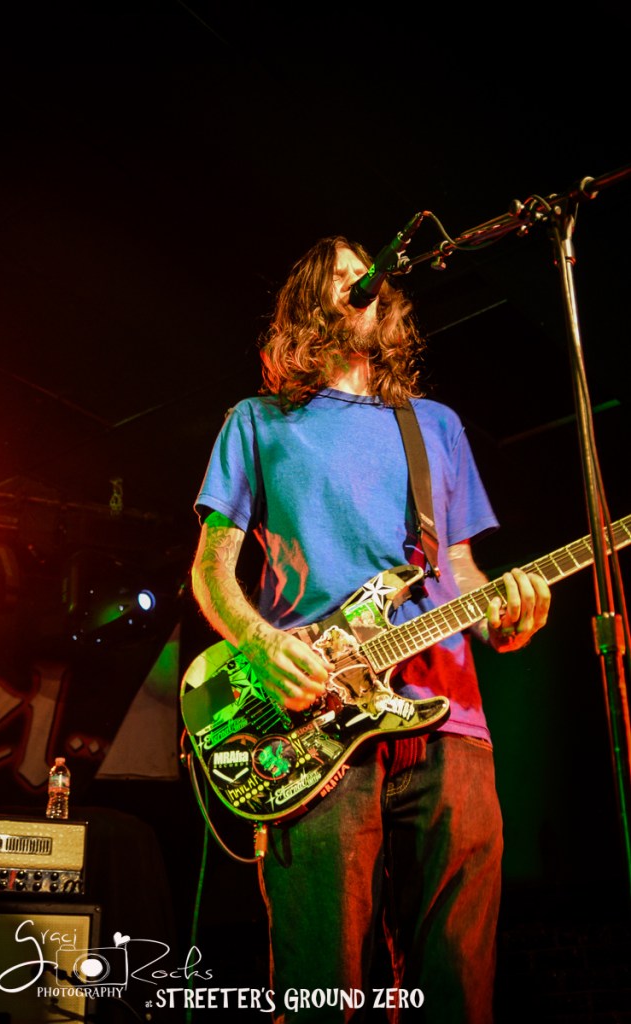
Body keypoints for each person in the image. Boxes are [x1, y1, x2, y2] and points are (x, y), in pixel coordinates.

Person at [189, 235, 551, 1023]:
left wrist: (505, 615)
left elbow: (458, 567)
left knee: (458, 988)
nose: (365, 285)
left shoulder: (434, 426)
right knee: (323, 987)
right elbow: (211, 569)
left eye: (369, 277)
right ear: (307, 304)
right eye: (345, 277)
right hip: (313, 725)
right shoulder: (257, 422)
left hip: (450, 723)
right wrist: (261, 642)